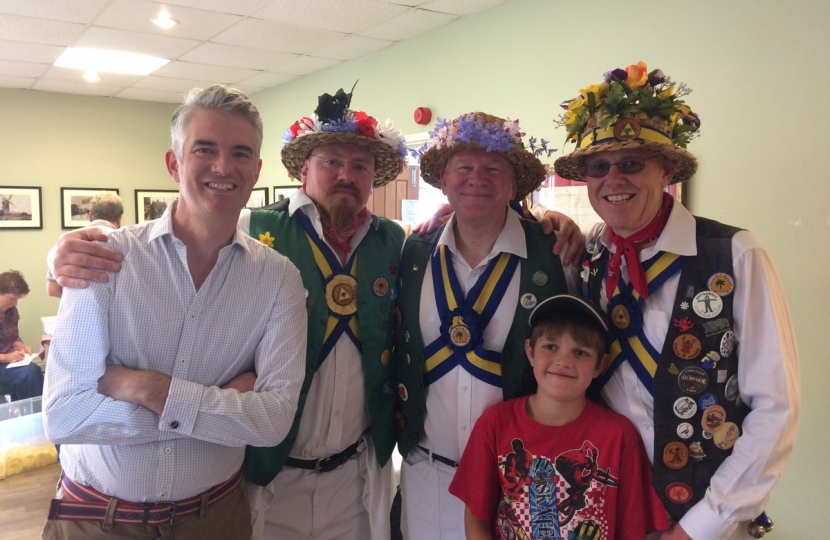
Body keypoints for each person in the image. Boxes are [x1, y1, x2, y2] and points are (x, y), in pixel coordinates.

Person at [45, 91, 586, 540]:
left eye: (360, 165)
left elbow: (476, 227)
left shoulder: (398, 244)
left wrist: (548, 220)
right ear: (303, 169)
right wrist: (61, 255)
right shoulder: (257, 232)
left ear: (376, 176)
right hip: (264, 474)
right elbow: (188, 225)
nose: (346, 174)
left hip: (359, 472)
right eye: (331, 161)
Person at [42, 85, 307, 540]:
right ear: (174, 163)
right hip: (99, 521)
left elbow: (272, 422)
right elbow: (65, 416)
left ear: (256, 170)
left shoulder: (278, 279)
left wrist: (144, 386)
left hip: (216, 519)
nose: (223, 167)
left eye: (240, 153)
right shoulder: (106, 259)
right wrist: (221, 403)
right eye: (204, 149)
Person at [552, 62, 800, 540]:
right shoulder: (590, 255)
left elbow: (776, 407)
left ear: (666, 168)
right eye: (599, 167)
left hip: (706, 519)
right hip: (609, 507)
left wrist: (701, 527)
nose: (613, 179)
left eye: (631, 163)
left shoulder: (734, 253)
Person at [394, 112, 578, 539]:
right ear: (444, 179)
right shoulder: (414, 253)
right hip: (426, 473)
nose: (478, 178)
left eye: (494, 168)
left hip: (523, 480)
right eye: (465, 167)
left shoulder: (555, 254)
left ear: (514, 186)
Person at [449, 294, 669, 540]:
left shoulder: (619, 436)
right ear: (530, 352)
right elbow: (476, 518)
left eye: (581, 352)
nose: (563, 361)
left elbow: (632, 530)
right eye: (551, 347)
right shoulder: (495, 424)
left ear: (600, 365)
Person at [47, 191, 124, 298]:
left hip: (77, 312)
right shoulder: (129, 242)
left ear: (90, 217)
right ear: (119, 219)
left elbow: (52, 290)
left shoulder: (67, 242)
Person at [0, 270, 43, 401]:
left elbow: (13, 338)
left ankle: (33, 409)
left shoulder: (10, 311)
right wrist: (6, 357)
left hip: (8, 361)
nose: (15, 304)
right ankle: (35, 411)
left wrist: (21, 346)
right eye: (12, 299)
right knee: (29, 374)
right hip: (4, 360)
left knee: (32, 371)